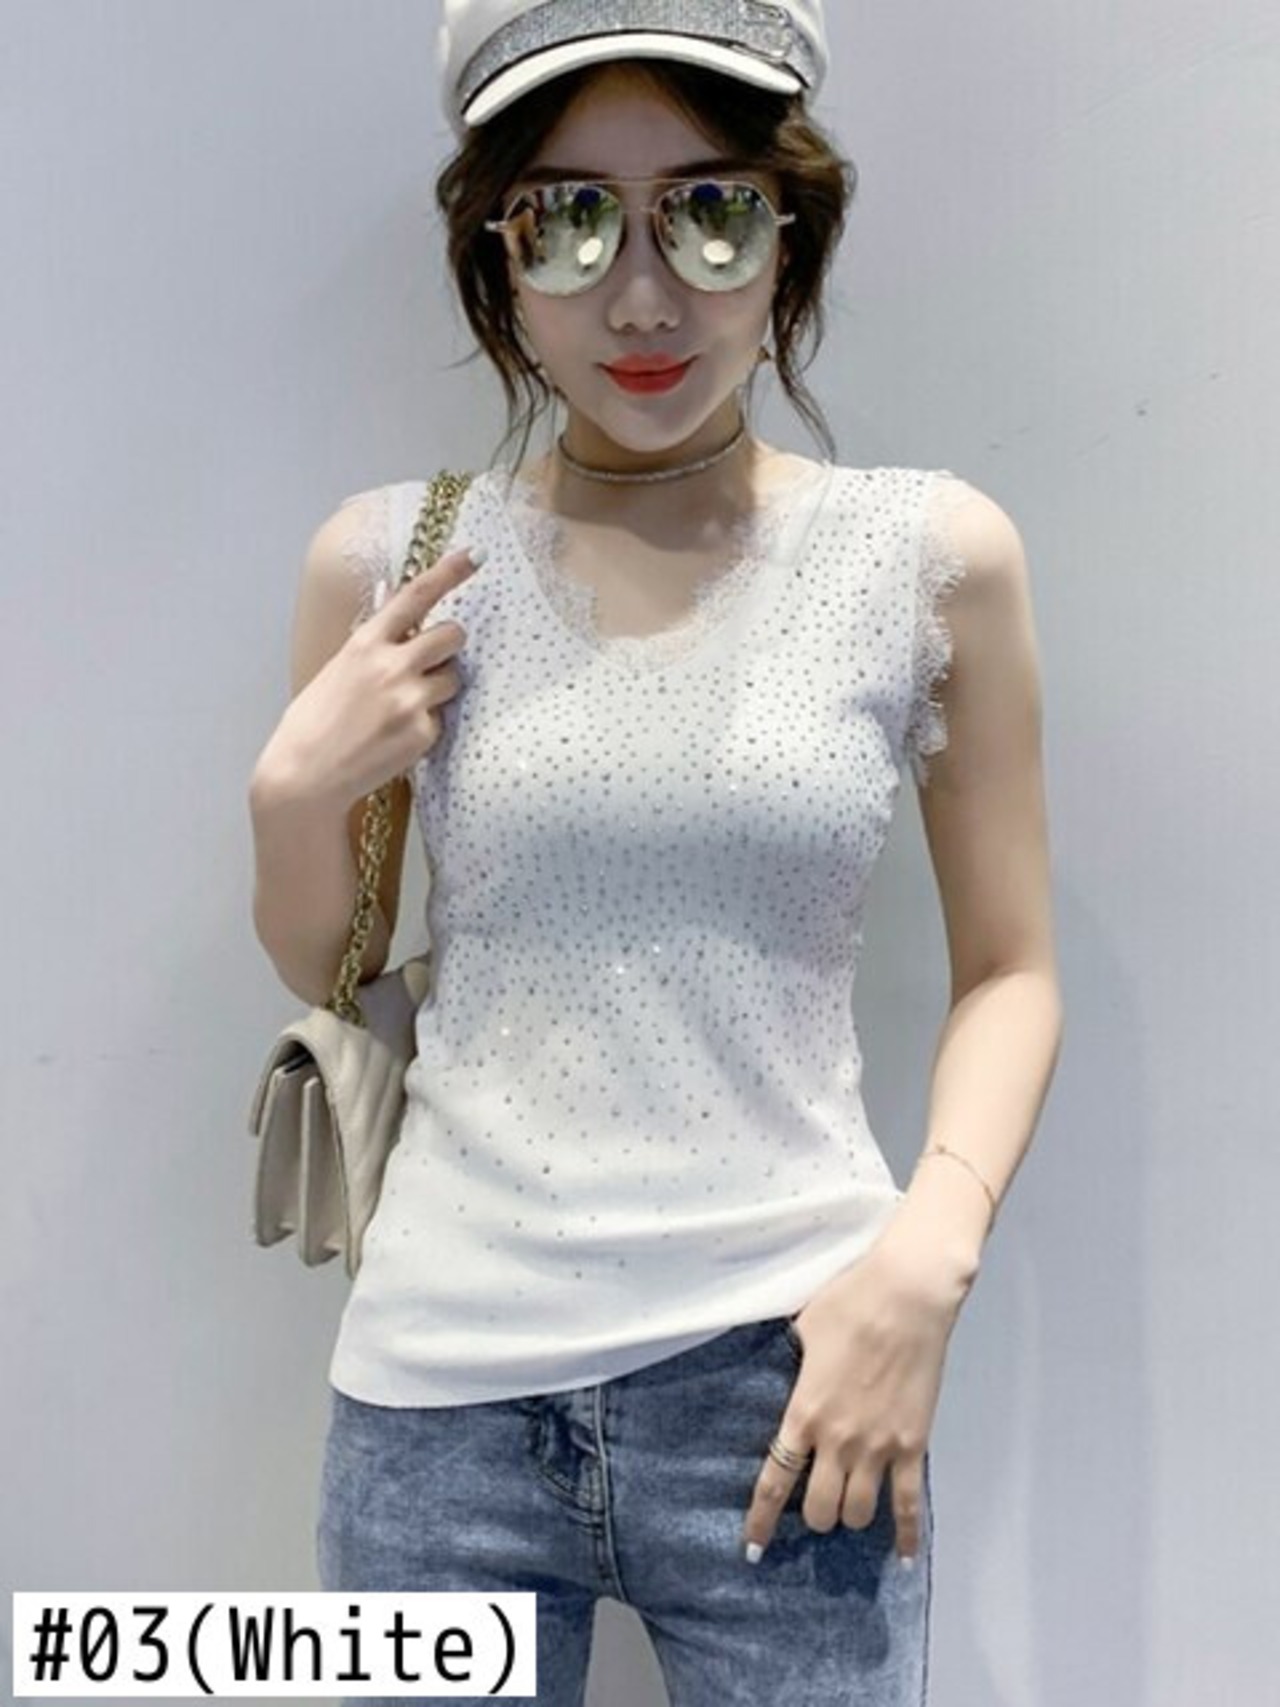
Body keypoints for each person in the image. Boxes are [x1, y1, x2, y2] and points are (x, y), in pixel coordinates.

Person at [247, 2, 1064, 1701]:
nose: (640, 297)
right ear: (497, 257)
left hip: (801, 1383)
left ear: (790, 236)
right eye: (569, 219)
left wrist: (929, 1256)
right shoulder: (393, 561)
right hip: (439, 1408)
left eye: (708, 214)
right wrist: (292, 796)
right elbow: (329, 963)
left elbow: (1010, 967)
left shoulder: (925, 556)